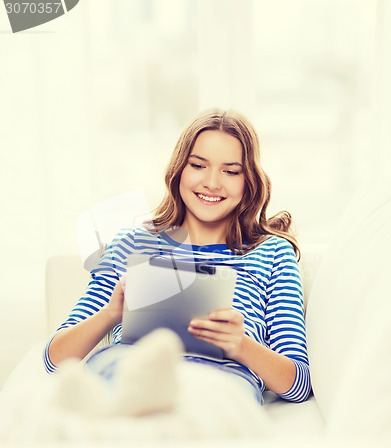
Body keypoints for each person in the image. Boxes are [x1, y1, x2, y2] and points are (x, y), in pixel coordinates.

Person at [43, 108, 311, 418]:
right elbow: (54, 360)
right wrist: (111, 313)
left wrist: (240, 345)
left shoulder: (273, 253)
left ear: (248, 180)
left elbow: (298, 384)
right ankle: (133, 399)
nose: (212, 183)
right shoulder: (132, 243)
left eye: (231, 171)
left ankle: (143, 411)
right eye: (198, 165)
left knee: (204, 402)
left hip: (219, 383)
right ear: (179, 170)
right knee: (119, 372)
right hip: (127, 369)